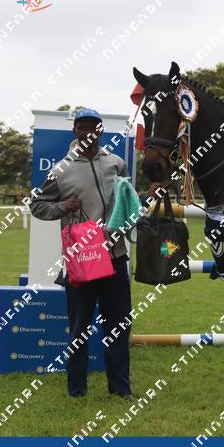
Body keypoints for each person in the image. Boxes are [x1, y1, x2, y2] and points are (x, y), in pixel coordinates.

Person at [29, 109, 133, 398]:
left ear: (101, 130)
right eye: (81, 127)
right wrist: (64, 206)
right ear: (74, 131)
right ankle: (77, 390)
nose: (87, 132)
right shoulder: (61, 169)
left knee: (118, 328)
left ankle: (121, 390)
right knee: (79, 329)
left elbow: (128, 200)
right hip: (82, 260)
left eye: (92, 127)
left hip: (114, 257)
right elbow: (37, 206)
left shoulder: (116, 163)